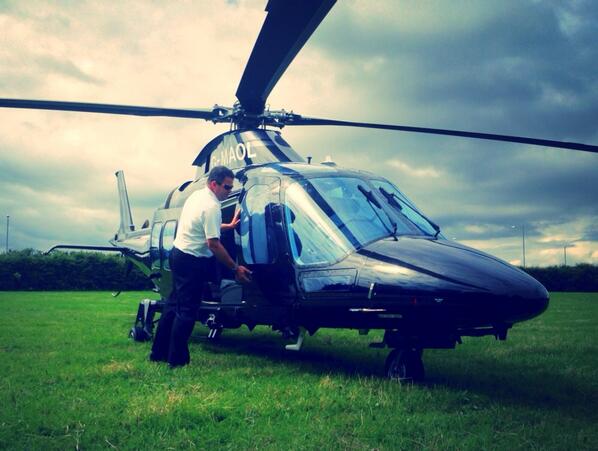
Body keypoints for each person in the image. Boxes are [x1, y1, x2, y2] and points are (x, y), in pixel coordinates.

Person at [150, 165, 252, 368]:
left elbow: (202, 224)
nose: (229, 191)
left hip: (178, 255)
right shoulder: (212, 206)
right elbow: (213, 244)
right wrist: (235, 268)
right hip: (191, 262)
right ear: (214, 184)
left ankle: (158, 353)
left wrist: (228, 226)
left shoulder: (197, 196)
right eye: (227, 187)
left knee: (172, 305)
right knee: (187, 312)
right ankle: (177, 360)